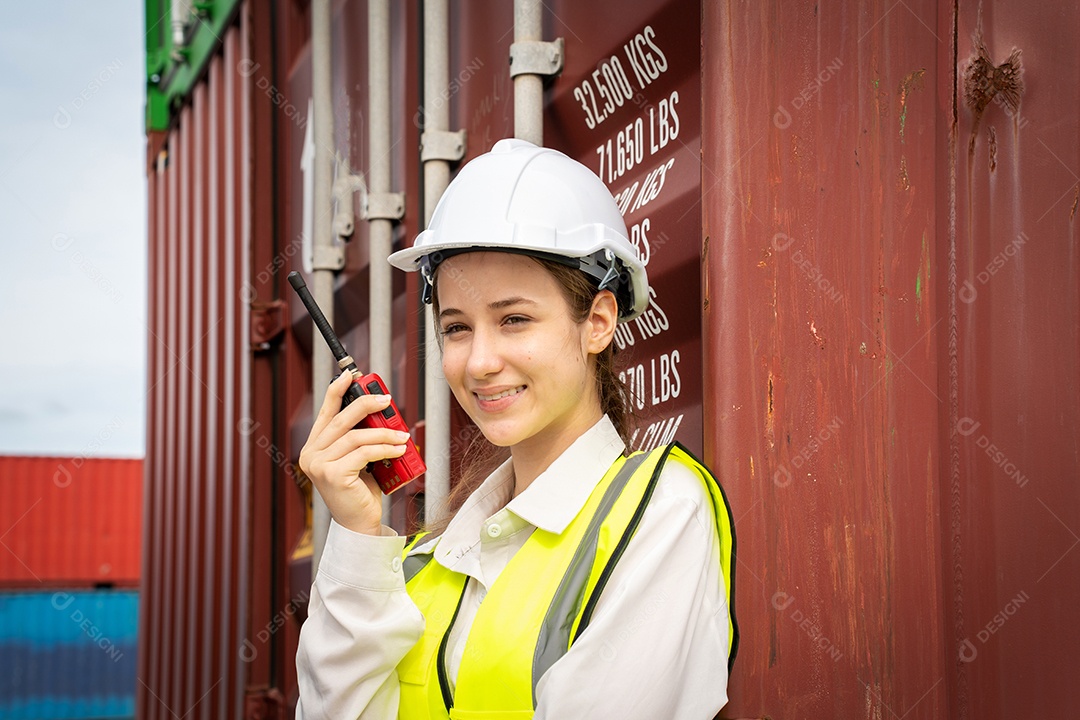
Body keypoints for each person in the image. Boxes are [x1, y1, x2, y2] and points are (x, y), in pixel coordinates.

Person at [295, 138, 738, 719]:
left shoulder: (660, 515)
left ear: (598, 322)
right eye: (457, 328)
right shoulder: (427, 563)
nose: (479, 362)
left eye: (514, 320)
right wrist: (356, 533)